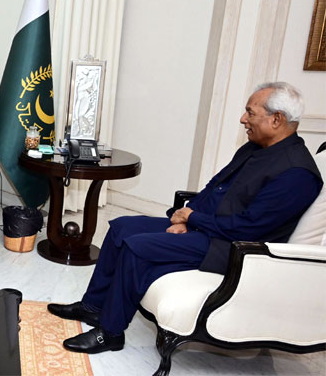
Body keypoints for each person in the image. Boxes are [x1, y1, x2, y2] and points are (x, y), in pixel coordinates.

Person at [47, 82, 322, 354]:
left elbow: (248, 228)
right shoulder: (255, 148)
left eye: (250, 112)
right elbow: (214, 188)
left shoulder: (297, 173)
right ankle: (94, 307)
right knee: (121, 227)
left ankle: (110, 333)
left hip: (235, 249)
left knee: (137, 247)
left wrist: (193, 219)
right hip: (209, 229)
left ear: (277, 119)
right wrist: (182, 220)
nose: (243, 119)